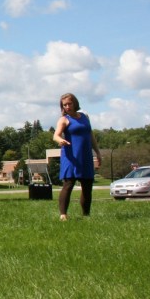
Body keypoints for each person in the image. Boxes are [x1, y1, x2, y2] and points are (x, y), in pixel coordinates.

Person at [52, 93, 101, 221]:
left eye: (69, 103)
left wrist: (98, 153)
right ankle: (63, 214)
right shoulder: (64, 120)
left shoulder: (85, 117)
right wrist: (60, 140)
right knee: (68, 183)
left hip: (85, 155)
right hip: (71, 156)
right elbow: (55, 135)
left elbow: (91, 136)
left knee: (87, 184)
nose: (67, 106)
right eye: (65, 105)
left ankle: (86, 215)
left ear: (75, 103)